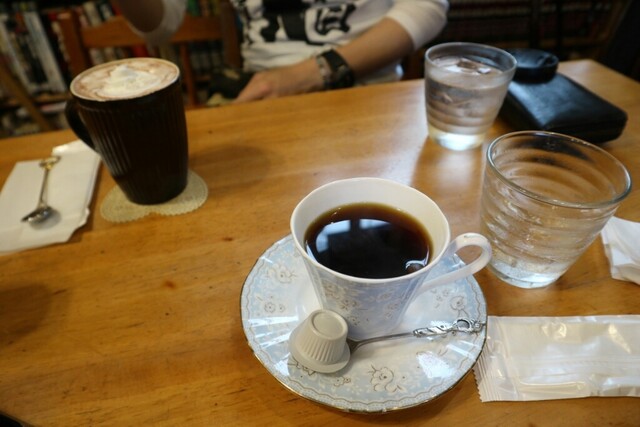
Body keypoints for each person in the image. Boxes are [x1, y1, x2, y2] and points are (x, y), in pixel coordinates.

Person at [114, 0, 449, 103]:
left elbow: (427, 5)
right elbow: (159, 27)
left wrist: (315, 72)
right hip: (260, 96)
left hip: (368, 89)